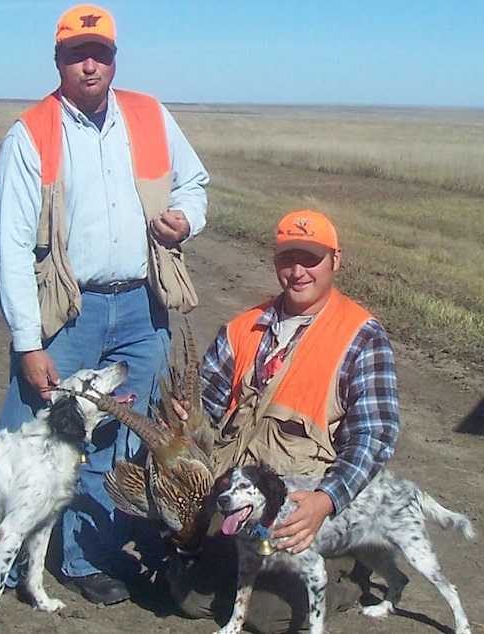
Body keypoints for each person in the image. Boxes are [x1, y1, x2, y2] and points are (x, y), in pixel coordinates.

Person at [0, 3, 209, 608]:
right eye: (77, 54)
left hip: (140, 307)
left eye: (100, 53)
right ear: (58, 61)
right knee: (28, 437)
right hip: (67, 313)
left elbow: (194, 182)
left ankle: (83, 556)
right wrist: (28, 343)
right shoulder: (31, 134)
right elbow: (9, 248)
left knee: (121, 436)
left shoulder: (149, 115)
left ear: (113, 58)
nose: (89, 65)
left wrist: (187, 219)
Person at [167, 209, 400, 632]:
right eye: (287, 259)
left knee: (270, 618)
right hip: (243, 495)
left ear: (336, 260)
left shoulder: (361, 335)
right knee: (189, 596)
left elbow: (375, 436)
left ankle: (346, 573)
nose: (297, 272)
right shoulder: (242, 328)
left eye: (310, 259)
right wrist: (189, 423)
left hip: (304, 506)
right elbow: (209, 405)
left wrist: (325, 501)